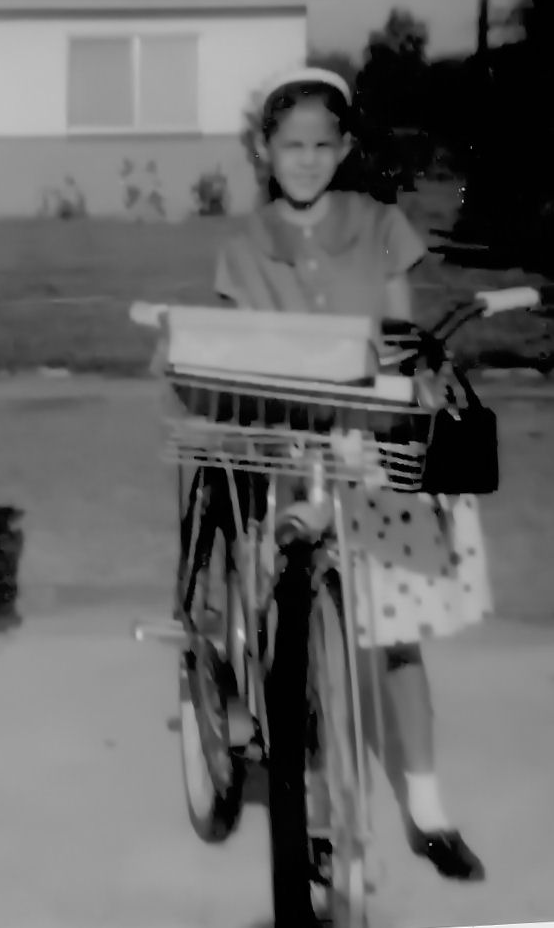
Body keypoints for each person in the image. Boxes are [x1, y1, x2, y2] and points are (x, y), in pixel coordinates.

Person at [214, 67, 489, 881]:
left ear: (344, 149)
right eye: (289, 145)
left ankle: (429, 805)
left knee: (397, 634)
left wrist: (409, 381)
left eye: (320, 145)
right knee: (285, 603)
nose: (305, 160)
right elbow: (230, 343)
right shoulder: (244, 244)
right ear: (265, 151)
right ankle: (304, 769)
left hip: (369, 437)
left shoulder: (378, 225)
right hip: (289, 439)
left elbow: (399, 328)